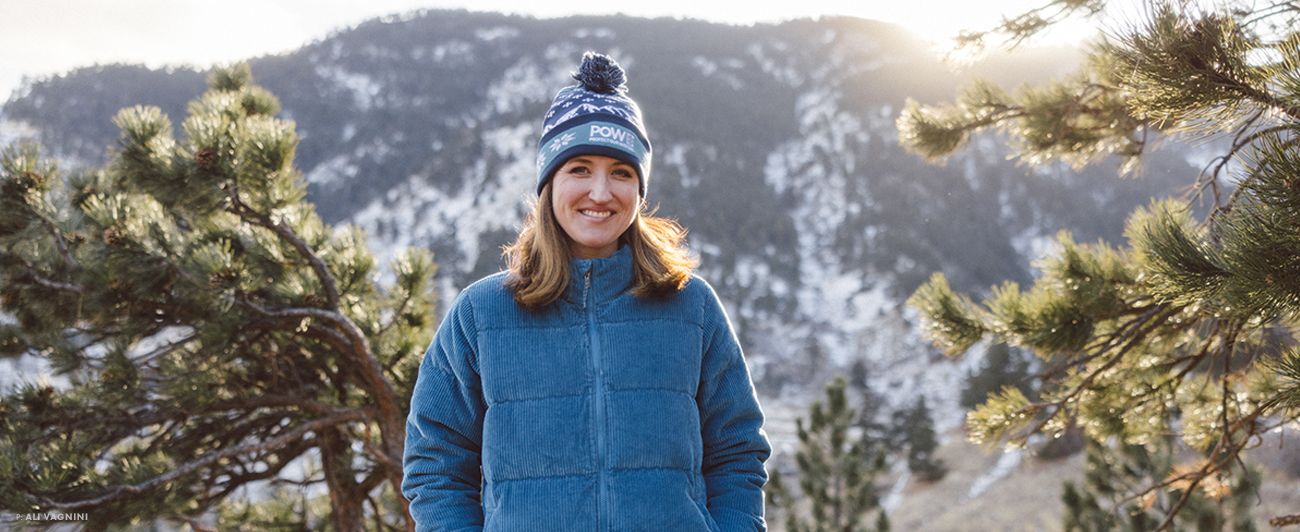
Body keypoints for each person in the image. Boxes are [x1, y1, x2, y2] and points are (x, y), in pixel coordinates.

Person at [402, 52, 771, 532]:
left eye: (621, 172)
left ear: (639, 190)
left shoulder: (691, 306)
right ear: (548, 183)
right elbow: (435, 465)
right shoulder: (481, 314)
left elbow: (737, 454)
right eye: (579, 168)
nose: (601, 192)